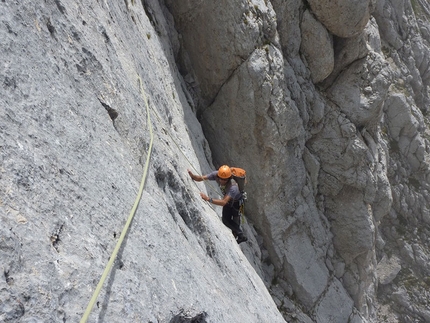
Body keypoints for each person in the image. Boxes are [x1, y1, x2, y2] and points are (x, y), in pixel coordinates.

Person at [188, 165, 248, 244]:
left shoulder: (233, 187)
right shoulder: (216, 175)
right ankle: (239, 235)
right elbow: (201, 178)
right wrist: (193, 176)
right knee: (225, 220)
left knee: (235, 222)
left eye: (225, 180)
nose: (222, 181)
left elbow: (223, 202)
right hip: (229, 200)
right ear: (218, 176)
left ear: (229, 178)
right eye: (221, 179)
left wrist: (208, 199)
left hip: (237, 203)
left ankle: (241, 236)